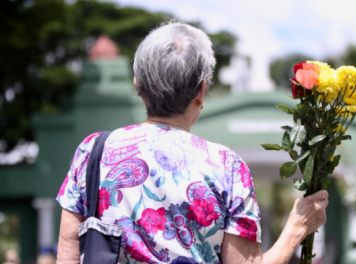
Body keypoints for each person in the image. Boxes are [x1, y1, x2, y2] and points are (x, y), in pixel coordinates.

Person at [56, 21, 328, 264]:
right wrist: (296, 229)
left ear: (138, 85)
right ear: (202, 90)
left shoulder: (93, 150)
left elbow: (67, 255)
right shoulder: (227, 166)